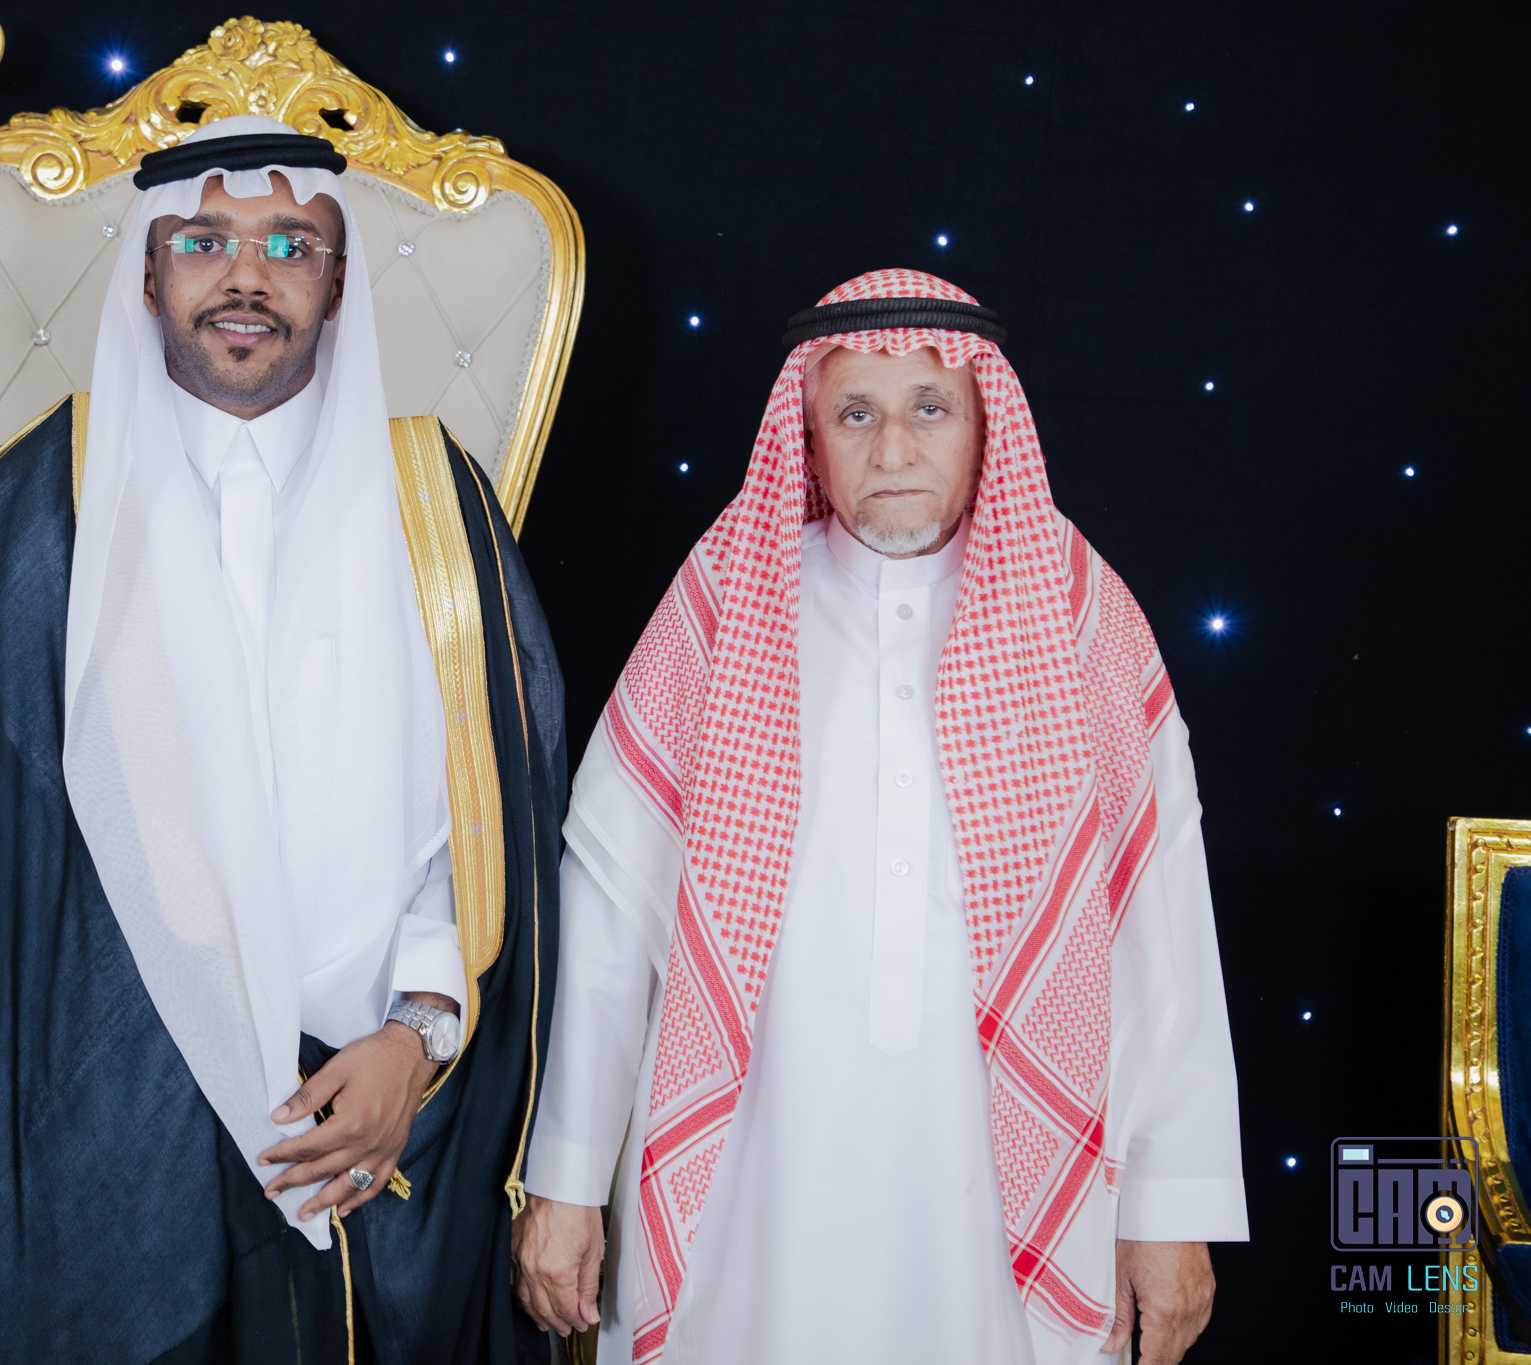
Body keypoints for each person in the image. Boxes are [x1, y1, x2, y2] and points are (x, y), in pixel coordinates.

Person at [0, 115, 564, 1364]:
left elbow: (496, 826)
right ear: (147, 274)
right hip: (92, 1082)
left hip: (361, 1102)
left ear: (336, 283)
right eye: (202, 242)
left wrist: (416, 1041)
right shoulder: (39, 503)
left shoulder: (434, 507)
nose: (245, 275)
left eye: (289, 245)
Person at [511, 269, 1246, 1365]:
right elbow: (610, 917)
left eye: (928, 408)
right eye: (855, 413)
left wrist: (1172, 1202)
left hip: (1003, 1192)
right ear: (806, 438)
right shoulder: (725, 605)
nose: (892, 449)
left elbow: (1164, 926)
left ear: (984, 426)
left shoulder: (1078, 618)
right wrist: (567, 1181)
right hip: (754, 1183)